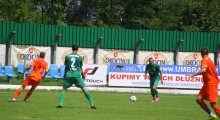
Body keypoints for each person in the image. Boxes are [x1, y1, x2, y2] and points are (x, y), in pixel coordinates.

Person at [57, 44, 96, 109]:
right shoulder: (80, 57)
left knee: (64, 90)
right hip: (77, 75)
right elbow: (80, 67)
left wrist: (64, 76)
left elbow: (66, 67)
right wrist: (83, 75)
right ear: (77, 49)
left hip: (69, 75)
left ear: (71, 49)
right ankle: (92, 104)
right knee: (84, 89)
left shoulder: (67, 56)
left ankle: (60, 104)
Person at [186, 47, 220, 119]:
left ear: (201, 54)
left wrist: (193, 75)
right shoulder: (210, 60)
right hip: (207, 84)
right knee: (199, 99)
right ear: (208, 53)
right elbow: (215, 71)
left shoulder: (204, 60)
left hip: (211, 84)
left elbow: (204, 70)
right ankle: (211, 114)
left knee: (213, 104)